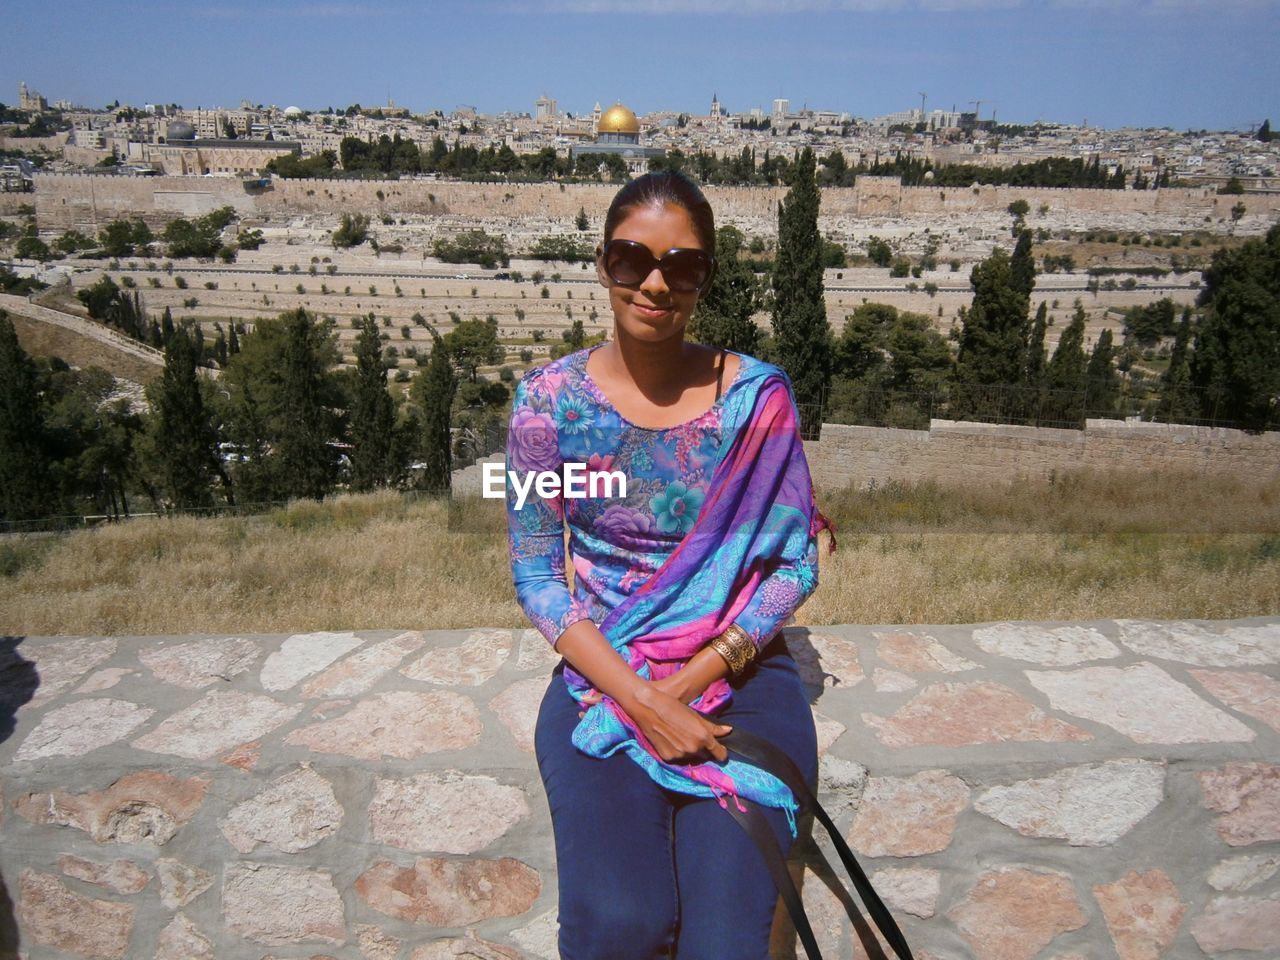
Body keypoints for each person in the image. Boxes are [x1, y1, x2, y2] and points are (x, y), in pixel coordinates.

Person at [507, 170, 827, 960]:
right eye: (632, 259)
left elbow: (794, 565)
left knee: (729, 941)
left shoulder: (757, 401)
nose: (656, 283)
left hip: (742, 680)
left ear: (704, 278)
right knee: (621, 923)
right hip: (604, 678)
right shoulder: (546, 407)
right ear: (602, 263)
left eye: (682, 267)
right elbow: (539, 576)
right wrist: (641, 698)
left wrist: (680, 690)